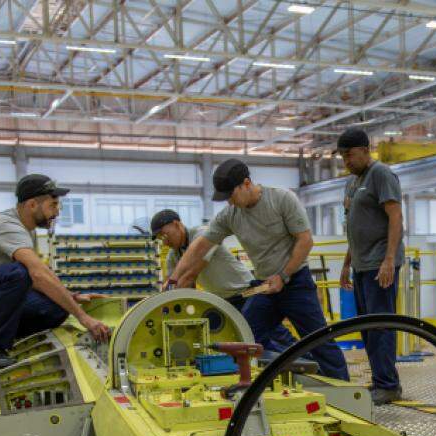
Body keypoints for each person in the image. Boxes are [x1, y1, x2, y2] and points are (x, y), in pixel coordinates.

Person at [172, 159, 349, 380]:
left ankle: (345, 389)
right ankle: (287, 374)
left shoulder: (281, 199)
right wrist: (174, 276)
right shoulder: (230, 215)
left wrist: (283, 275)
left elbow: (305, 240)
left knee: (318, 339)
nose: (229, 202)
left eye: (231, 195)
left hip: (295, 282)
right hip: (265, 286)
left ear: (246, 184)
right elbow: (200, 244)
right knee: (246, 336)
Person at [0, 174, 110, 368]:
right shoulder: (7, 226)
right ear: (33, 205)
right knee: (18, 273)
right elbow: (36, 274)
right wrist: (83, 317)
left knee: (56, 310)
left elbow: (36, 278)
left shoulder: (27, 230)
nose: (57, 212)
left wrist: (69, 297)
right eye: (53, 205)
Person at [152, 209, 295, 351]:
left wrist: (167, 296)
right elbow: (171, 285)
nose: (165, 242)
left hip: (248, 292)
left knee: (275, 335)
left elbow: (190, 275)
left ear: (177, 224)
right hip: (225, 301)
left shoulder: (204, 235)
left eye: (165, 235)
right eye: (160, 238)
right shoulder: (173, 255)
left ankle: (309, 363)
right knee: (247, 341)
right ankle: (274, 368)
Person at [337, 127, 404, 405]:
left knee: (381, 326)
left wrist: (389, 259)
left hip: (380, 264)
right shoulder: (353, 183)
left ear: (365, 150)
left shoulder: (381, 174)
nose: (346, 161)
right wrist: (345, 265)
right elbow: (355, 228)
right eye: (342, 157)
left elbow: (395, 217)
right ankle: (380, 380)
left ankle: (388, 384)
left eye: (349, 155)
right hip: (361, 265)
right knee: (367, 328)